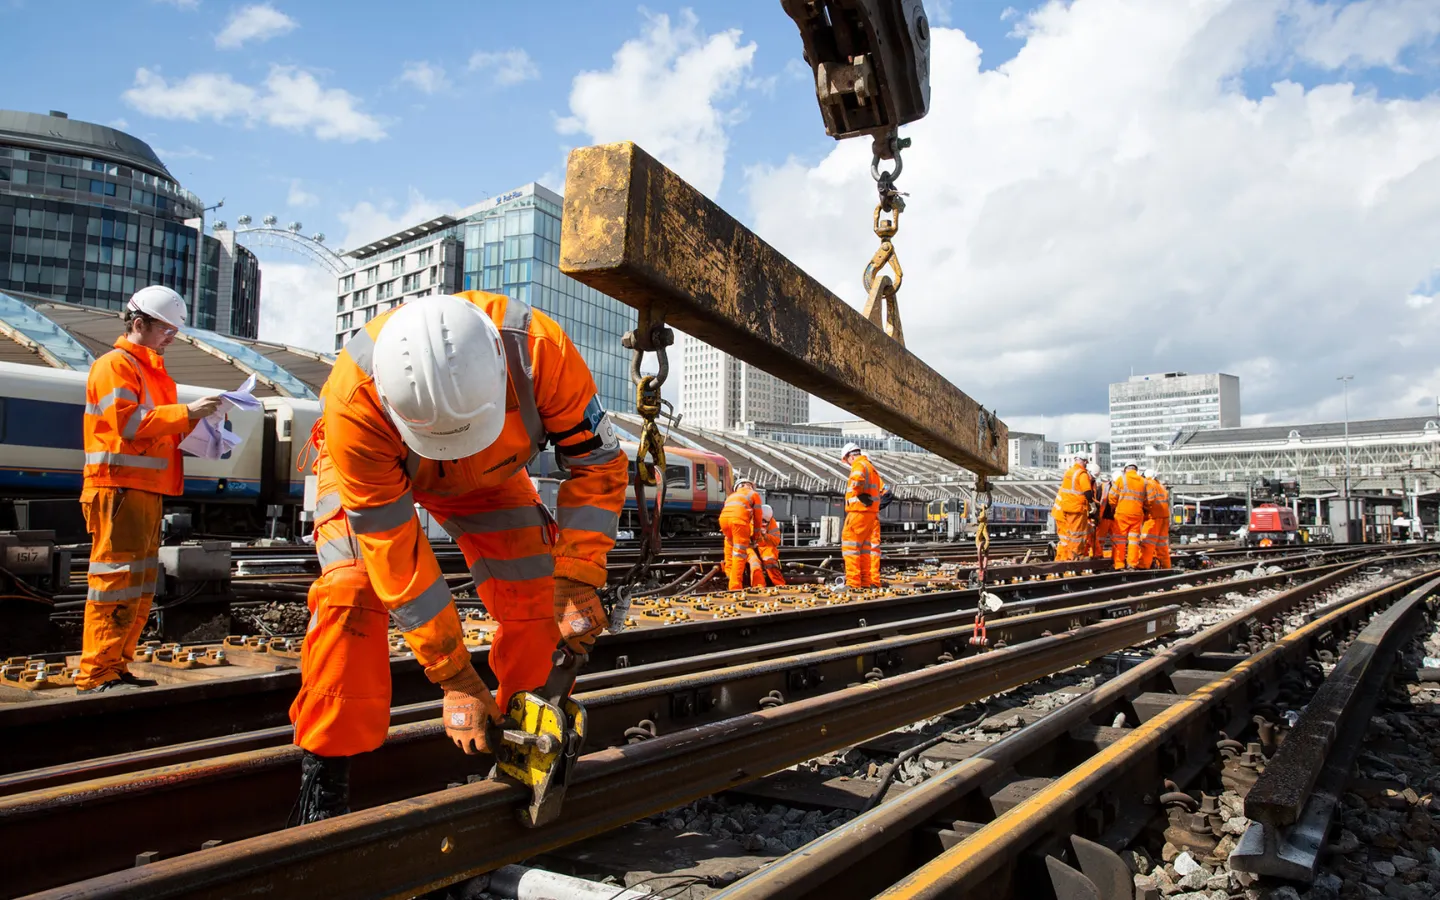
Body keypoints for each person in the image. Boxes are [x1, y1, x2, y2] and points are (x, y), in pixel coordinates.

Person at [287, 292, 628, 824]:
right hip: (376, 473)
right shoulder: (354, 403)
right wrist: (454, 675)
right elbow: (396, 556)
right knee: (350, 593)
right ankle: (325, 780)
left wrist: (579, 574)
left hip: (493, 474)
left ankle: (527, 746)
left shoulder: (542, 354)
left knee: (541, 599)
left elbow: (598, 467)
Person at [77, 286, 222, 693]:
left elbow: (155, 430)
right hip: (119, 488)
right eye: (166, 329)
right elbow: (127, 425)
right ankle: (97, 672)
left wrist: (201, 431)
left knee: (137, 586)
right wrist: (186, 413)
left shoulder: (152, 372)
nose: (171, 338)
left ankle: (117, 665)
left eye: (175, 331)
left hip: (142, 490)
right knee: (114, 581)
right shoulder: (115, 366)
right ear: (138, 324)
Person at [841, 442, 884, 589]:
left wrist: (858, 493)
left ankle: (853, 583)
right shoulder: (871, 468)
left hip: (858, 512)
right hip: (870, 514)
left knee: (850, 546)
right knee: (864, 549)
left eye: (847, 460)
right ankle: (865, 581)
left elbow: (857, 479)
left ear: (850, 456)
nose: (848, 464)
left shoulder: (859, 465)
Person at [720, 476, 765, 590]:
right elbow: (758, 518)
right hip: (739, 522)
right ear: (750, 486)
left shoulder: (731, 496)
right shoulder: (753, 494)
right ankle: (735, 587)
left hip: (723, 522)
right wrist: (755, 537)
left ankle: (729, 575)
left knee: (730, 548)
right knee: (739, 554)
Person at [1052, 454, 1094, 562]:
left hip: (1066, 508)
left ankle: (1066, 557)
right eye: (1086, 462)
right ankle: (1074, 557)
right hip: (1077, 508)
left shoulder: (1068, 472)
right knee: (1077, 534)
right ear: (1084, 461)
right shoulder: (1082, 474)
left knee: (1069, 535)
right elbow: (1087, 492)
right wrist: (1092, 505)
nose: (1086, 464)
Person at [1111, 463, 1149, 570]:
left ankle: (1119, 564)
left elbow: (1112, 496)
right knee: (1133, 540)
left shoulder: (1121, 479)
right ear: (1136, 470)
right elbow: (1148, 499)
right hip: (1137, 514)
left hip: (1122, 513)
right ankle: (1132, 563)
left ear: (1125, 469)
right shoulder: (1143, 481)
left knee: (1120, 539)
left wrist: (1114, 506)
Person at [1138, 469, 1171, 569]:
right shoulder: (1161, 486)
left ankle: (1143, 565)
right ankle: (1166, 566)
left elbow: (1149, 500)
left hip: (1153, 517)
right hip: (1164, 517)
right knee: (1162, 545)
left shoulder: (1149, 484)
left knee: (1148, 542)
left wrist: (1144, 509)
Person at [755, 504, 787, 586]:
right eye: (762, 520)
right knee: (755, 565)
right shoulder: (751, 520)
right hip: (751, 547)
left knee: (770, 561)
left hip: (766, 547)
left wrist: (766, 536)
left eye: (766, 522)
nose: (764, 523)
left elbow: (776, 541)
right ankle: (759, 587)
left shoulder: (772, 523)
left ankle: (780, 585)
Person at [1094, 471, 1119, 560]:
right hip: (1104, 517)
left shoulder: (1122, 487)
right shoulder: (1103, 487)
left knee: (1117, 540)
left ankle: (1116, 559)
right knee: (1099, 539)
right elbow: (1097, 501)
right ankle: (1097, 556)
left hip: (1115, 518)